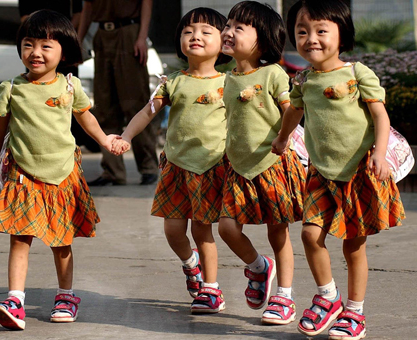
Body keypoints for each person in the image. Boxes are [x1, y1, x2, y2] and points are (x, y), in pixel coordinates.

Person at [272, 0, 406, 338]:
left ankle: (355, 313)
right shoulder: (303, 80)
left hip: (359, 171)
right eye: (302, 32)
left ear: (341, 35)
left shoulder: (357, 73)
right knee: (309, 234)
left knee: (353, 246)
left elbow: (379, 115)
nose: (310, 39)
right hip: (321, 172)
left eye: (320, 31)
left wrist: (380, 150)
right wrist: (283, 137)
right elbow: (294, 113)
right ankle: (328, 296)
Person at [0, 10, 117, 330]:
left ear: (64, 51)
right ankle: (15, 300)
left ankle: (66, 295)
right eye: (28, 44)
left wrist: (105, 140)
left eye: (46, 45)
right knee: (20, 239)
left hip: (62, 174)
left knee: (61, 241)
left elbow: (86, 118)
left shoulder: (69, 86)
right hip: (22, 175)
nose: (36, 53)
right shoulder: (12, 88)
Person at [112, 7, 232, 314]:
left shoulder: (229, 84)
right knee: (173, 230)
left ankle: (211, 289)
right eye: (188, 31)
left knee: (202, 231)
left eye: (206, 32)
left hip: (209, 168)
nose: (196, 36)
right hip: (175, 169)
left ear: (223, 43)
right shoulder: (173, 82)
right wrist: (126, 135)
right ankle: (191, 264)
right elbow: (146, 112)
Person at [218, 1, 306, 325]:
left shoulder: (273, 73)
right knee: (226, 227)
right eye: (227, 25)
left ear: (263, 40)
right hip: (237, 167)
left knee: (277, 232)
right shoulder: (226, 79)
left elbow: (289, 110)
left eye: (239, 28)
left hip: (271, 164)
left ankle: (284, 296)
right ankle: (258, 268)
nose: (228, 32)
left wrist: (284, 137)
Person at [78, 0, 159, 186]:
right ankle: (113, 171)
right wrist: (79, 39)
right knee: (104, 107)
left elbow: (147, 3)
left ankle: (148, 167)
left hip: (129, 33)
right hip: (101, 35)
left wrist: (142, 37)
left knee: (135, 104)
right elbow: (88, 7)